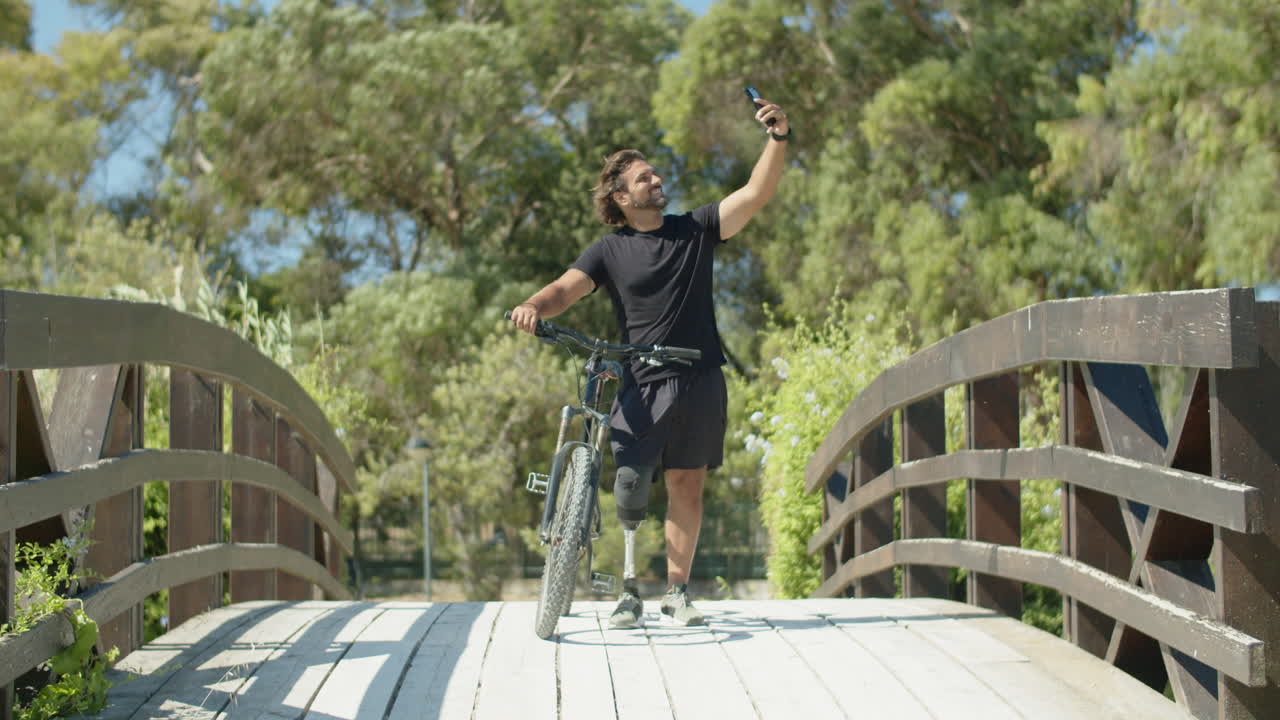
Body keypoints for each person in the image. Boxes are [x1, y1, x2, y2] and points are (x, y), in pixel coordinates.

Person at [510, 94, 790, 627]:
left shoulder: (696, 230)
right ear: (621, 196)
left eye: (656, 174)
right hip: (641, 381)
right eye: (644, 178)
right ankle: (628, 588)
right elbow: (564, 290)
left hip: (700, 376)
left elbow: (756, 193)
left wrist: (777, 137)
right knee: (630, 486)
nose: (657, 181)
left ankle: (676, 592)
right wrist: (533, 306)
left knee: (688, 484)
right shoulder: (608, 250)